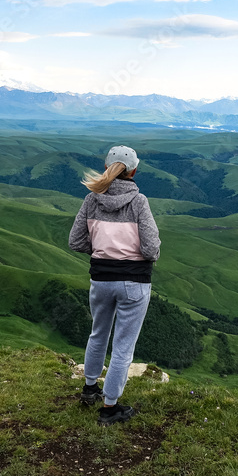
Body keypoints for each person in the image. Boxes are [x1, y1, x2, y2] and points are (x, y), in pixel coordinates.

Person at [68, 145, 161, 426]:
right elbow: (151, 248)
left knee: (98, 334)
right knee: (123, 347)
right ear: (133, 170)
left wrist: (103, 252)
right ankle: (110, 408)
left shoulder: (91, 199)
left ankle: (90, 388)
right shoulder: (139, 202)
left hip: (101, 279)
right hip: (134, 282)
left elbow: (76, 241)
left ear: (107, 166)